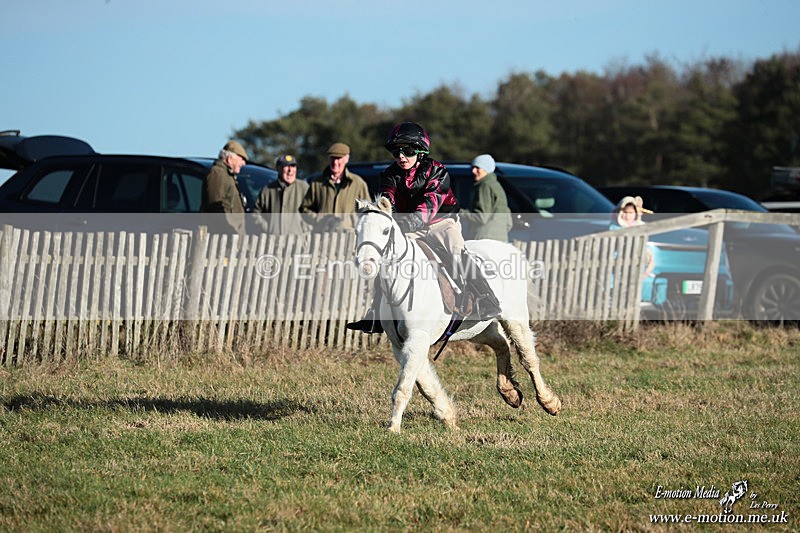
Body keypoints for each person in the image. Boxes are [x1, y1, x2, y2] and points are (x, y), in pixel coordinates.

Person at [346, 122, 502, 334]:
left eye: (407, 150)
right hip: (409, 225)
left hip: (442, 222)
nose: (401, 156)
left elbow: (428, 205)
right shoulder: (390, 174)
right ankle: (376, 312)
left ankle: (486, 299)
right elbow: (388, 199)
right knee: (388, 259)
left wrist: (403, 222)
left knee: (457, 251)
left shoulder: (438, 171)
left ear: (420, 151)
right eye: (396, 151)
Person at [300, 142, 369, 231]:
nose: (335, 162)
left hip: (348, 236)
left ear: (347, 159)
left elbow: (367, 212)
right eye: (333, 158)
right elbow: (305, 209)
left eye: (339, 158)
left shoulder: (358, 183)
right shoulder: (317, 183)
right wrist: (319, 220)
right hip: (322, 237)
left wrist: (349, 222)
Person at [201, 139, 249, 236]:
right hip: (222, 238)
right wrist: (229, 232)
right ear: (230, 159)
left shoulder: (227, 176)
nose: (244, 163)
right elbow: (215, 208)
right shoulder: (218, 174)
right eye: (241, 159)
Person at [253, 154, 310, 234]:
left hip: (298, 242)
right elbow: (255, 213)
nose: (290, 170)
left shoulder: (304, 188)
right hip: (274, 242)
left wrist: (304, 229)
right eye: (286, 166)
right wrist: (269, 228)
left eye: (293, 166)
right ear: (278, 169)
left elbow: (314, 213)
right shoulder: (268, 190)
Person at [463, 154, 512, 241]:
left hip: (482, 240)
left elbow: (481, 217)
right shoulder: (497, 186)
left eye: (478, 168)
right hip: (500, 241)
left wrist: (458, 211)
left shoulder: (484, 186)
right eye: (472, 167)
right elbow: (509, 223)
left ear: (486, 169)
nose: (473, 171)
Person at [611, 195, 655, 276]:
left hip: (636, 264)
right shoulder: (615, 227)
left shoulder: (639, 227)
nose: (627, 216)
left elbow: (643, 246)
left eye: (631, 213)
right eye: (625, 212)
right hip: (617, 265)